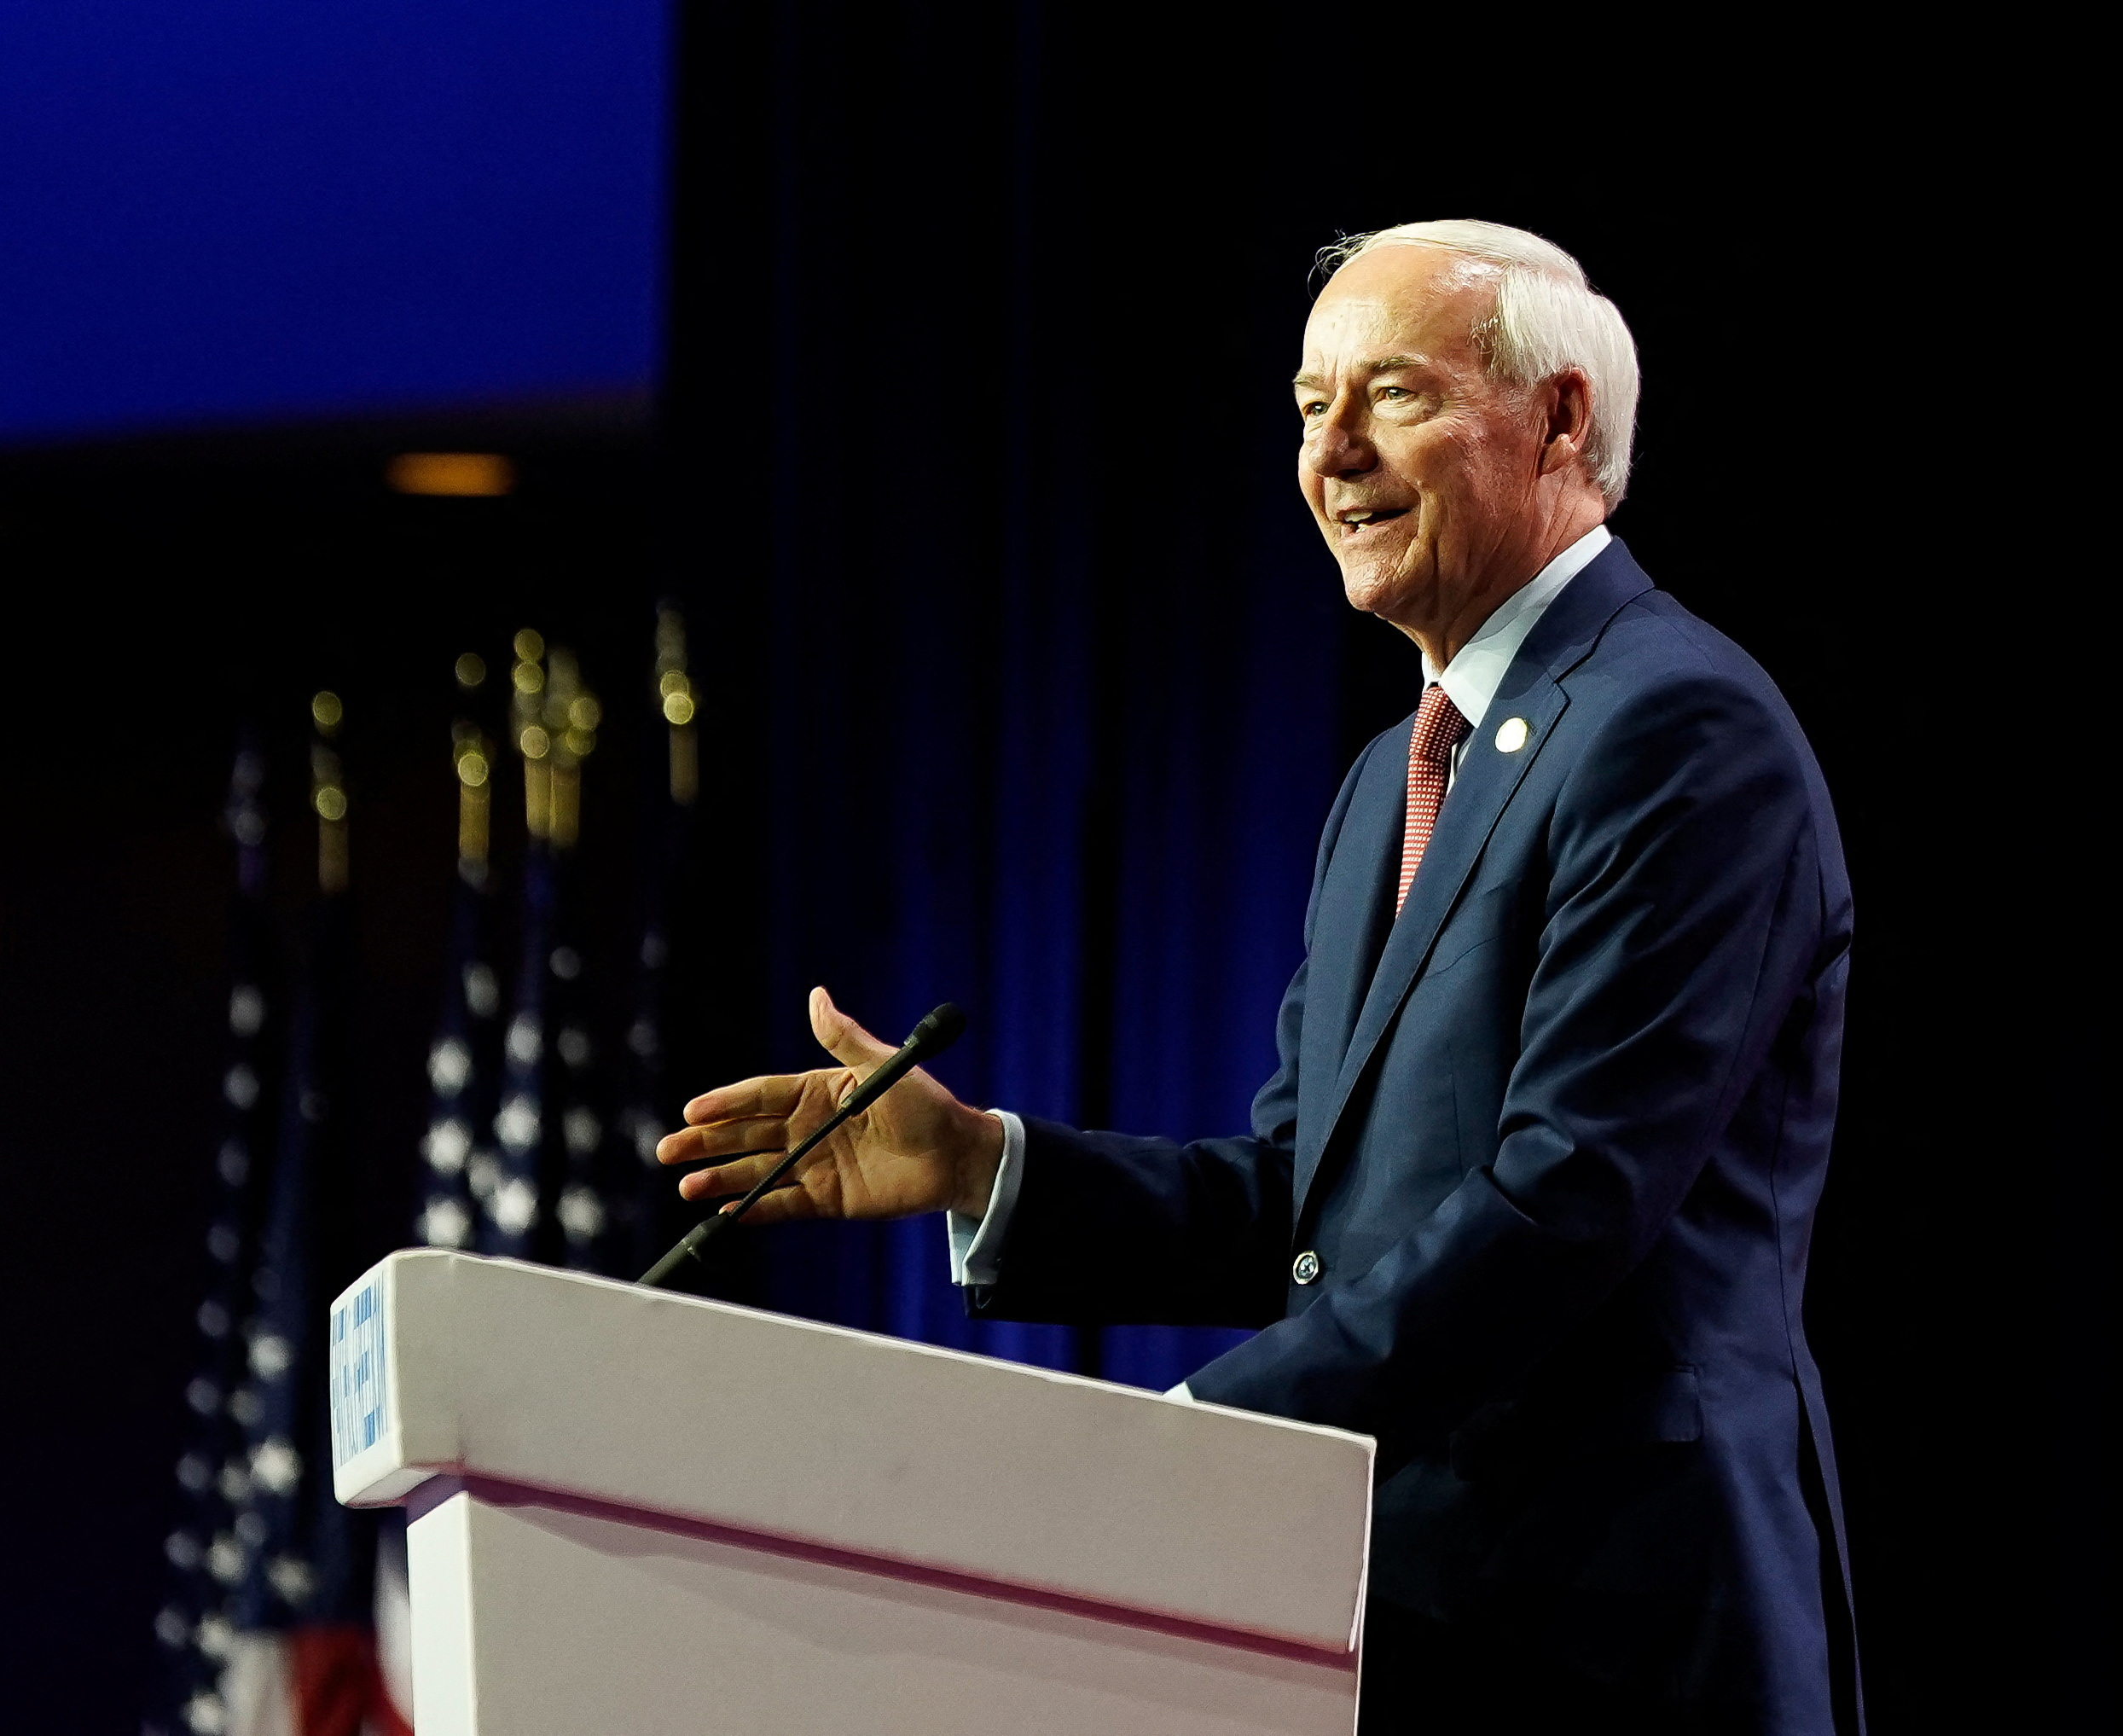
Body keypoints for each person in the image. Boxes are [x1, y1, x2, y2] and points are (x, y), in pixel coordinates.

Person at [659, 219, 1859, 1735]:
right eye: (1309, 407)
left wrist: (1192, 1442)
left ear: (1560, 421)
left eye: (1395, 397)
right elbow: (1308, 1205)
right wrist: (984, 1169)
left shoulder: (1678, 730)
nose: (1333, 455)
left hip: (1618, 1629)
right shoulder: (1387, 783)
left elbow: (1564, 1204)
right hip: (1388, 1617)